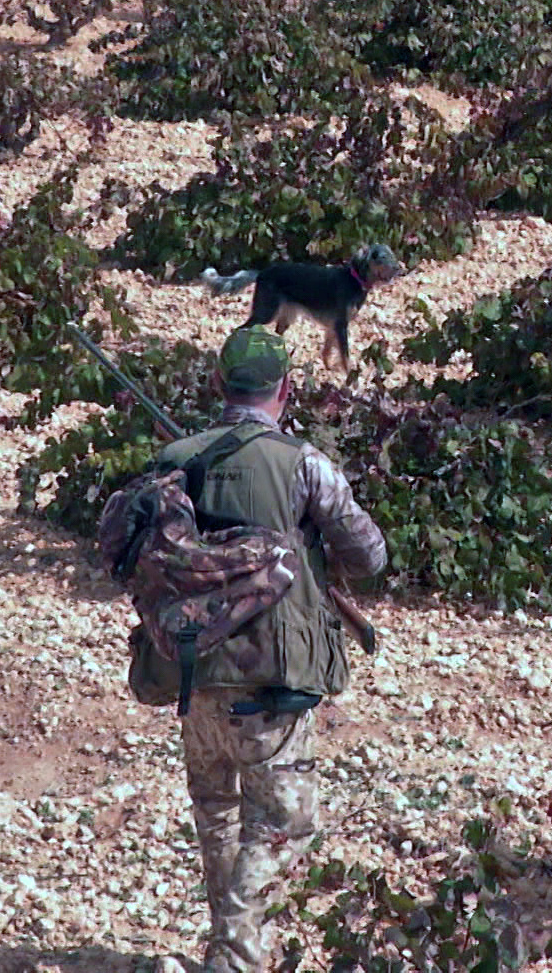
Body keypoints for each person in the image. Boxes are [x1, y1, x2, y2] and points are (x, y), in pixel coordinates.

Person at [152, 325, 387, 973]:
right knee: (285, 821)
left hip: (191, 671)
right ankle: (235, 958)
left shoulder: (177, 456)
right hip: (272, 680)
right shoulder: (304, 464)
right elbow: (369, 557)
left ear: (218, 385)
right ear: (288, 388)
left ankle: (232, 948)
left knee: (219, 816)